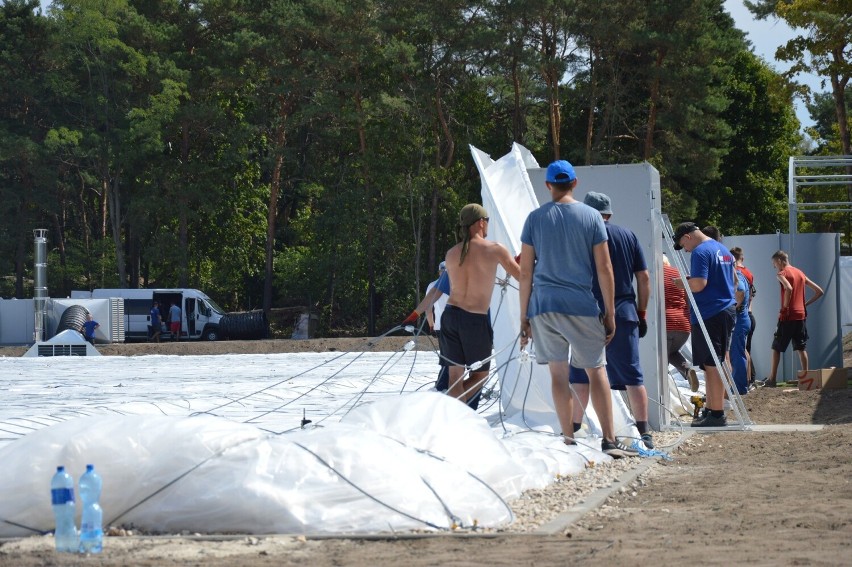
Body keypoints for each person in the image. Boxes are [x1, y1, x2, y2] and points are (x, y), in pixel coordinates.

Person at [518, 160, 638, 458]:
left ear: (548, 185)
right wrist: (609, 313)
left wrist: (524, 316)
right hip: (582, 305)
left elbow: (525, 272)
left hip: (544, 305)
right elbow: (604, 267)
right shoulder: (591, 217)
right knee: (596, 370)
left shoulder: (534, 218)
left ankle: (568, 438)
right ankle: (609, 440)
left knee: (558, 374)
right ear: (575, 183)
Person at [567, 192, 654, 449]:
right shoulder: (628, 236)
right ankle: (644, 432)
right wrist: (642, 313)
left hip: (587, 313)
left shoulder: (580, 237)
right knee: (632, 375)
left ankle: (572, 430)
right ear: (610, 213)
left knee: (581, 374)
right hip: (624, 311)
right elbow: (644, 278)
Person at [441, 203, 520, 406]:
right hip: (473, 319)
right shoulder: (494, 249)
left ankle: (451, 417)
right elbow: (523, 276)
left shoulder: (451, 253)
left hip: (450, 316)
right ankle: (451, 409)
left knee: (454, 378)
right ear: (481, 223)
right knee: (481, 375)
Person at [672, 222, 736, 427]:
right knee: (714, 363)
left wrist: (682, 282)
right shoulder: (722, 249)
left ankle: (716, 414)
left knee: (712, 364)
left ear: (688, 237)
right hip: (725, 308)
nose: (685, 249)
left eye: (683, 245)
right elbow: (732, 281)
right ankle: (712, 409)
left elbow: (699, 284)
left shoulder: (700, 252)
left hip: (710, 312)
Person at [762, 250, 824, 387]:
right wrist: (804, 304)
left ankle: (772, 379)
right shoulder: (800, 273)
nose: (774, 267)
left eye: (774, 264)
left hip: (787, 317)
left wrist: (785, 308)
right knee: (801, 348)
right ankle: (806, 380)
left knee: (776, 347)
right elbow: (820, 291)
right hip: (801, 316)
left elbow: (788, 288)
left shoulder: (781, 274)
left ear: (779, 261)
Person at [662, 254, 698, 391]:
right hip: (684, 325)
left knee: (660, 362)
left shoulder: (657, 273)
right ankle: (688, 370)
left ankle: (663, 394)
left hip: (666, 323)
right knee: (672, 352)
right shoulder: (680, 274)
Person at [730, 247, 757, 387]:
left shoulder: (738, 273)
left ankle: (742, 384)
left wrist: (733, 308)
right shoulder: (748, 273)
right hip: (748, 314)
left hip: (741, 315)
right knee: (744, 350)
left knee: (739, 352)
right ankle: (747, 382)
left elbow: (740, 291)